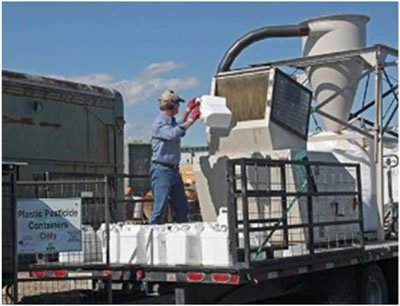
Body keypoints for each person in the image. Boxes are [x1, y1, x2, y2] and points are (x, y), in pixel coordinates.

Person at [149, 89, 201, 224]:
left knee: (182, 208)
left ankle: (180, 235)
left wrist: (189, 110)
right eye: (178, 104)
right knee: (159, 209)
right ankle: (152, 237)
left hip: (173, 170)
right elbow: (173, 133)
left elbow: (177, 124)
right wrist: (191, 120)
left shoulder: (169, 121)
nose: (179, 107)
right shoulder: (159, 123)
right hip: (162, 170)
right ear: (171, 105)